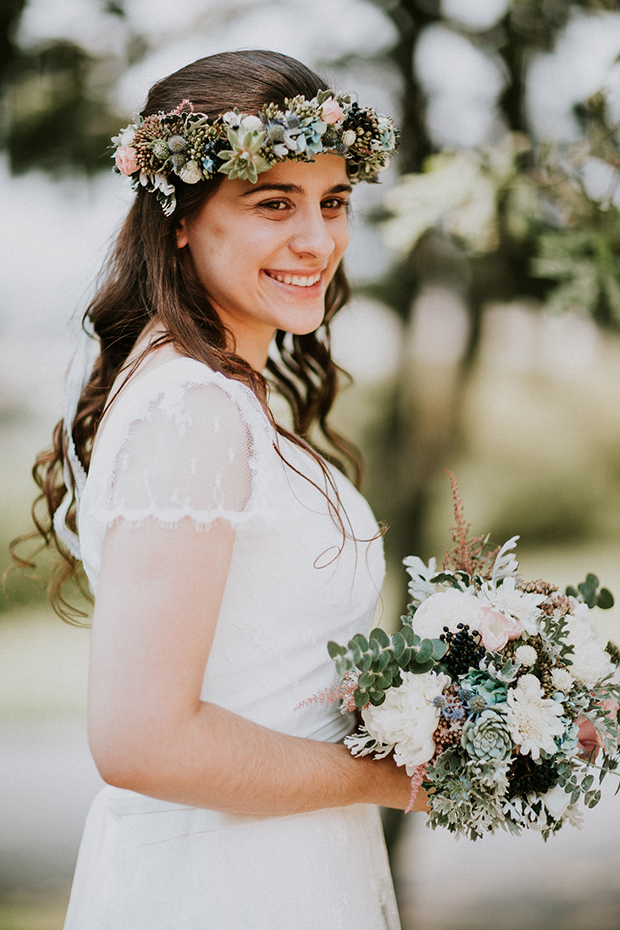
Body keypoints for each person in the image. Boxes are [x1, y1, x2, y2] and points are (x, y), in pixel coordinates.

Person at [26, 49, 420, 929]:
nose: (317, 240)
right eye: (273, 202)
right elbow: (142, 740)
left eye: (334, 202)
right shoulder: (193, 409)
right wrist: (392, 780)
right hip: (227, 888)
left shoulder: (219, 390)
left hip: (283, 861)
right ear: (178, 219)